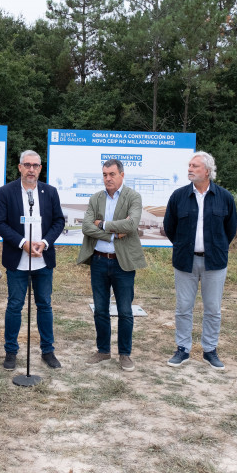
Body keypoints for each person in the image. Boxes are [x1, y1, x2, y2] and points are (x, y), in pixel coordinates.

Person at [162, 152, 237, 370]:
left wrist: (217, 248)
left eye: (194, 166)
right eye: (189, 165)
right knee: (183, 307)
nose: (190, 169)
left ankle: (210, 350)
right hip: (185, 261)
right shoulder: (178, 196)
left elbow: (230, 230)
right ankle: (182, 349)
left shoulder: (225, 197)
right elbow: (170, 227)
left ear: (207, 170)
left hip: (215, 263)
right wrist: (184, 245)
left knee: (213, 309)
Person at [0, 150, 66, 371]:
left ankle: (48, 351)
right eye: (27, 165)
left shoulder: (50, 192)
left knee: (44, 305)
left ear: (40, 168)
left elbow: (58, 221)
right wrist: (23, 243)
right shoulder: (6, 191)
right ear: (19, 167)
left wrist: (44, 243)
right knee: (15, 306)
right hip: (18, 260)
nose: (31, 169)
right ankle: (11, 352)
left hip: (43, 260)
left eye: (35, 165)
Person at [77, 159, 147, 372]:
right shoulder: (96, 198)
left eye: (112, 174)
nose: (108, 178)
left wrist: (104, 224)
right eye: (105, 174)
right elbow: (87, 227)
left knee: (125, 311)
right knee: (100, 309)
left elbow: (132, 224)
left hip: (122, 264)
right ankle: (103, 350)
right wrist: (113, 235)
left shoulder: (133, 197)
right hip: (98, 261)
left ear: (122, 175)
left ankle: (124, 354)